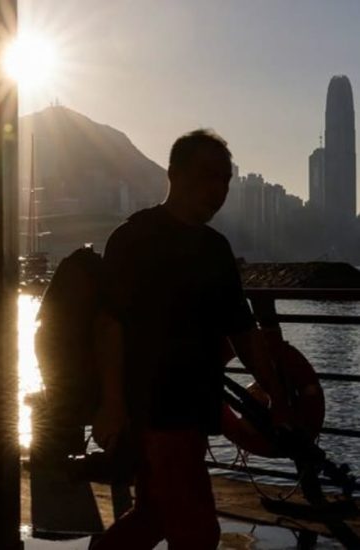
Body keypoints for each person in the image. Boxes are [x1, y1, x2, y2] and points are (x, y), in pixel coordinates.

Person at [91, 129, 291, 549]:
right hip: (151, 409)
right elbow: (109, 324)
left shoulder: (216, 249)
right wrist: (110, 404)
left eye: (225, 179)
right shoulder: (133, 238)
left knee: (152, 516)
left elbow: (241, 329)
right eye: (207, 176)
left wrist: (274, 391)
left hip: (195, 409)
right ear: (174, 174)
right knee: (197, 529)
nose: (218, 189)